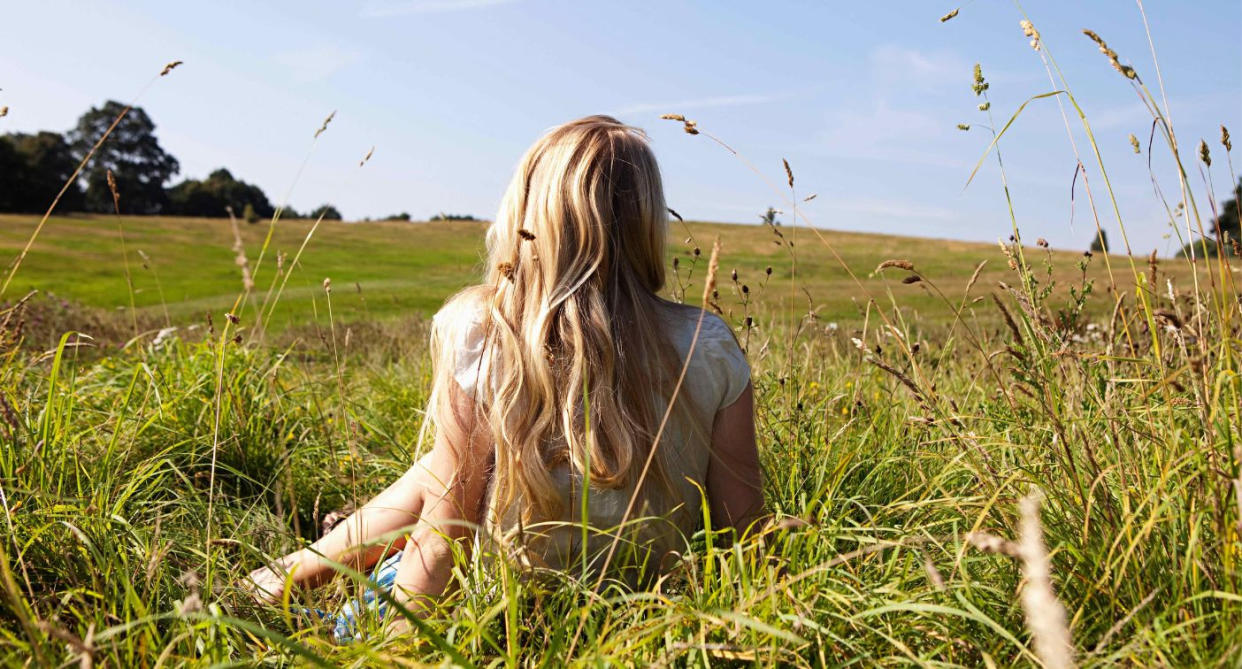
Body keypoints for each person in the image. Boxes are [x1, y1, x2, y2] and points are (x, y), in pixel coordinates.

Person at [243, 115, 763, 633]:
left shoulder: (483, 330)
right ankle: (279, 576)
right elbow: (744, 530)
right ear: (648, 221)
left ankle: (275, 582)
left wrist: (401, 645)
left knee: (445, 471)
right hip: (645, 613)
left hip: (501, 609)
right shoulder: (708, 344)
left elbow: (446, 526)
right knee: (448, 461)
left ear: (529, 212)